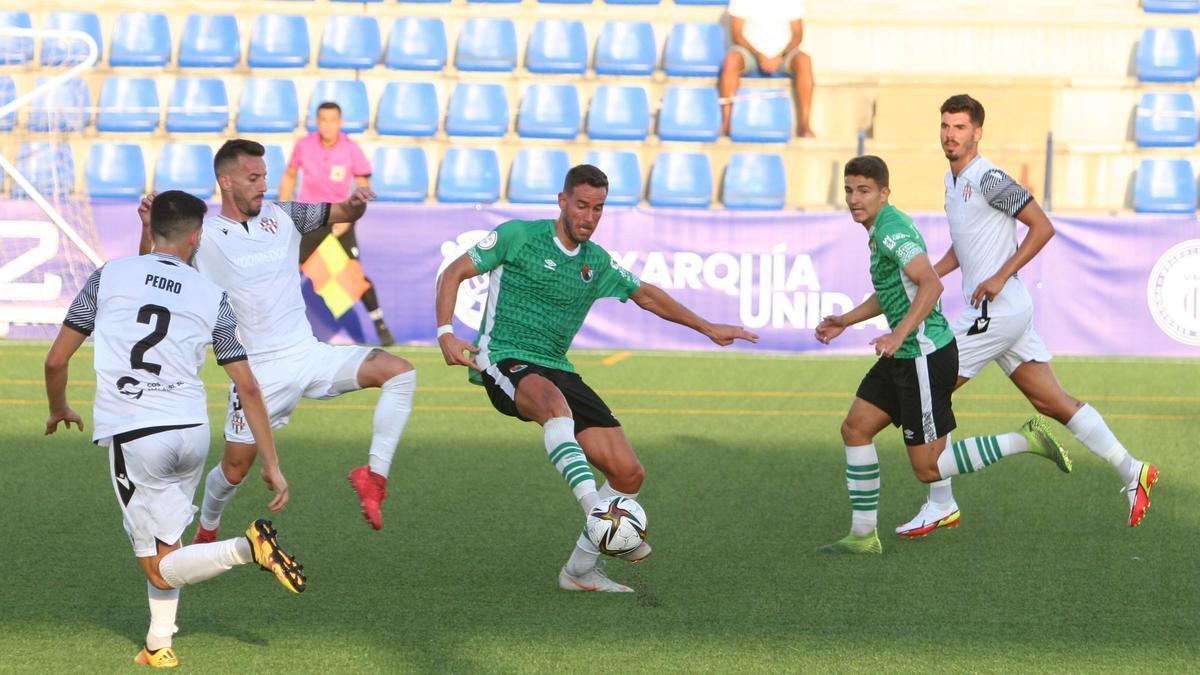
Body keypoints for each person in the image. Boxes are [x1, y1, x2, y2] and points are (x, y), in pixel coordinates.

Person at [435, 165, 759, 591]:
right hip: (505, 358)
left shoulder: (596, 262)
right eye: (582, 205)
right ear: (562, 201)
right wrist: (445, 334)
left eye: (598, 208)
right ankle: (596, 513)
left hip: (557, 365)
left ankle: (579, 571)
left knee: (628, 474)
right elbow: (453, 272)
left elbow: (645, 294)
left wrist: (708, 327)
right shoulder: (518, 236)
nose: (589, 216)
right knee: (554, 406)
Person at [45, 191, 306, 668]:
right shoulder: (211, 294)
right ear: (196, 236)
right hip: (191, 431)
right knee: (170, 542)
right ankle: (158, 643)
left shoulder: (110, 275)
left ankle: (247, 549)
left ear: (156, 228)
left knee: (159, 567)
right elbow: (247, 386)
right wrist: (270, 463)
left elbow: (57, 358)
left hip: (137, 432)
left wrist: (59, 406)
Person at [893, 95, 1159, 537]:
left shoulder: (991, 178)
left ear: (978, 132)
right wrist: (930, 275)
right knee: (1052, 401)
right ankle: (1134, 471)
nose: (950, 134)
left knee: (930, 384)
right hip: (1002, 312)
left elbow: (1043, 226)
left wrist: (1000, 275)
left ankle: (941, 502)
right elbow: (967, 244)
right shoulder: (952, 179)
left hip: (998, 309)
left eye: (959, 127)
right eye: (944, 126)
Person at [137, 139, 417, 539]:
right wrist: (148, 228)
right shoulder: (204, 234)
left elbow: (342, 212)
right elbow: (154, 273)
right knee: (234, 470)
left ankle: (373, 476)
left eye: (265, 176)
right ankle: (208, 528)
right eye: (253, 178)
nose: (263, 185)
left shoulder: (285, 215)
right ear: (226, 182)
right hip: (256, 374)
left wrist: (357, 203)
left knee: (400, 372)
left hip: (308, 354)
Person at [814, 156, 1072, 555]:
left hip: (923, 354)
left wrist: (898, 335)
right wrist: (845, 320)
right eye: (849, 190)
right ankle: (863, 535)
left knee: (928, 468)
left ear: (884, 193)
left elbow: (930, 285)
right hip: (906, 353)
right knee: (855, 428)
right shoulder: (879, 229)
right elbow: (894, 292)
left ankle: (1025, 440)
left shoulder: (891, 227)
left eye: (863, 190)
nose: (853, 199)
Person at [280, 101, 394, 346]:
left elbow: (363, 186)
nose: (328, 125)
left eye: (333, 120)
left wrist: (351, 216)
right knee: (286, 272)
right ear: (317, 121)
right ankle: (277, 326)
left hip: (340, 219)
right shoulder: (304, 145)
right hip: (308, 219)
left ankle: (379, 322)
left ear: (340, 123)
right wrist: (283, 210)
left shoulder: (351, 149)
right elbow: (289, 176)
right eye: (323, 119)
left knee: (354, 274)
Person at [719, 0, 815, 138]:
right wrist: (759, 55)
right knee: (731, 60)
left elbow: (797, 35)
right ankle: (727, 123)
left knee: (804, 61)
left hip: (783, 54)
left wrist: (781, 55)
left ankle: (805, 125)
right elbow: (737, 34)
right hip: (751, 53)